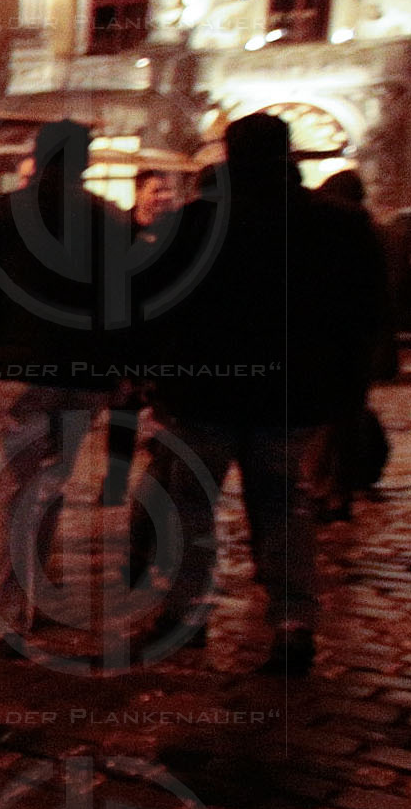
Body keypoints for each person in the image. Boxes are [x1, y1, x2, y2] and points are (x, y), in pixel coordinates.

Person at [126, 115, 388, 675]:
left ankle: (185, 614)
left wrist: (151, 372)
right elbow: (365, 314)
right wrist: (345, 386)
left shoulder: (195, 223)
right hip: (292, 394)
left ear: (229, 154)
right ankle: (293, 621)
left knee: (192, 504)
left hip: (203, 390)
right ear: (287, 156)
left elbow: (149, 305)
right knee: (282, 505)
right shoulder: (338, 223)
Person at [0, 119, 134, 640]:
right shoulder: (111, 219)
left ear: (37, 157)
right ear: (85, 163)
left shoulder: (4, 213)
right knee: (49, 491)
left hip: (20, 370)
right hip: (85, 376)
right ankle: (29, 599)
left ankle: (8, 615)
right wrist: (120, 371)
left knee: (13, 492)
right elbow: (126, 304)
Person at [305, 169, 394, 519]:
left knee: (320, 421)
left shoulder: (314, 229)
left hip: (321, 344)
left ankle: (321, 487)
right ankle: (338, 490)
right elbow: (378, 296)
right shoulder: (366, 229)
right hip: (353, 345)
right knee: (345, 419)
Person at [97, 167, 184, 506]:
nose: (163, 198)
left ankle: (159, 482)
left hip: (167, 340)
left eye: (168, 192)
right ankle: (115, 481)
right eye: (156, 191)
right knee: (124, 413)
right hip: (128, 337)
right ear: (139, 193)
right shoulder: (119, 231)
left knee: (167, 414)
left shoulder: (178, 234)